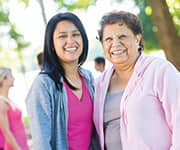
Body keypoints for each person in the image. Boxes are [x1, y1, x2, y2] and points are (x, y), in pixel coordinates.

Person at [93, 10, 180, 150]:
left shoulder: (159, 70)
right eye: (108, 39)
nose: (115, 43)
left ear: (137, 38)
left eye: (122, 36)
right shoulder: (98, 85)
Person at [26, 12, 99, 150]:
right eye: (62, 36)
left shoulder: (88, 77)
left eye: (76, 34)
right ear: (52, 44)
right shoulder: (43, 85)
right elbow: (41, 142)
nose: (70, 41)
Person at [0, 67, 29, 150]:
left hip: (22, 143)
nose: (14, 78)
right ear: (3, 79)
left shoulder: (8, 100)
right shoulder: (1, 103)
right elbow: (6, 131)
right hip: (14, 146)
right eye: (11, 76)